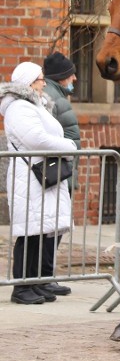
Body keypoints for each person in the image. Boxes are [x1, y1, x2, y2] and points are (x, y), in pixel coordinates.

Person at [1, 62, 77, 304]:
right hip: (29, 177)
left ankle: (34, 283)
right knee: (29, 233)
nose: (44, 83)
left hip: (39, 175)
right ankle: (21, 288)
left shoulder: (33, 105)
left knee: (41, 232)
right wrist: (69, 148)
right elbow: (36, 139)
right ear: (28, 83)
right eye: (40, 79)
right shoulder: (19, 108)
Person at [39, 52, 81, 295]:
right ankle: (44, 278)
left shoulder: (54, 95)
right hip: (58, 172)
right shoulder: (55, 98)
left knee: (52, 227)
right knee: (52, 227)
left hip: (60, 170)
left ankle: (45, 277)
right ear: (62, 77)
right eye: (71, 74)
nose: (74, 78)